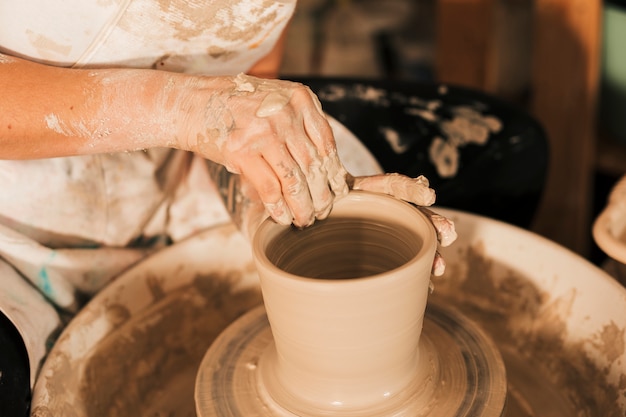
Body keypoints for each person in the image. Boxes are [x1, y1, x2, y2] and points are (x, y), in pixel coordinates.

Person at [0, 0, 455, 405]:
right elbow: (205, 109)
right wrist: (183, 110)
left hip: (172, 185)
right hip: (10, 237)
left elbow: (250, 80)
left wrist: (268, 192)